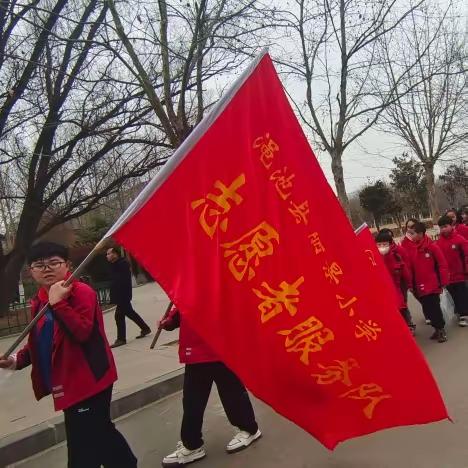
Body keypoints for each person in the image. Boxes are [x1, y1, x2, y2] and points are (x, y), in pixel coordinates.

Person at [0, 242, 137, 468]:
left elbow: (82, 333)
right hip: (64, 382)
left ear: (68, 265)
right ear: (31, 272)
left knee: (83, 445)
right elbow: (40, 341)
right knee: (99, 433)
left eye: (54, 262)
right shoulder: (40, 299)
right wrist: (16, 361)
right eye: (39, 265)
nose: (47, 269)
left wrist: (59, 303)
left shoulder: (82, 293)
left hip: (90, 379)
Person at [160, 306, 262, 467]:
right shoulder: (189, 283)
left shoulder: (217, 282)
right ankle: (192, 444)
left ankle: (249, 429)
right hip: (194, 349)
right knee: (192, 402)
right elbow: (184, 301)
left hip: (220, 347)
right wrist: (171, 321)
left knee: (232, 394)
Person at [408, 222, 449, 342]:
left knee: (434, 308)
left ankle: (441, 330)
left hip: (432, 284)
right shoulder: (413, 248)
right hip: (419, 286)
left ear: (420, 234)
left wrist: (443, 282)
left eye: (412, 233)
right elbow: (411, 269)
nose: (410, 235)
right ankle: (436, 329)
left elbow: (442, 265)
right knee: (427, 309)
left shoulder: (432, 247)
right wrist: (411, 284)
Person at [106, 247, 151, 348]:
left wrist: (120, 295)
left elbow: (121, 281)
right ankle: (145, 328)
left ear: (115, 254)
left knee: (118, 315)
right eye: (107, 254)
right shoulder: (114, 265)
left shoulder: (122, 264)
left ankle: (121, 339)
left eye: (109, 254)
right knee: (130, 313)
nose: (107, 256)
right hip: (121, 295)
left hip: (123, 294)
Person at [375, 230, 416, 334]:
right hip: (384, 288)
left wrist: (410, 284)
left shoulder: (397, 253)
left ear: (390, 243)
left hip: (399, 285)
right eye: (379, 244)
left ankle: (409, 325)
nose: (381, 247)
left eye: (384, 244)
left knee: (402, 306)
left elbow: (406, 269)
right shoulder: (374, 256)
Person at [436, 215, 468, 326]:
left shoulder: (460, 239)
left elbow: (466, 256)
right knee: (453, 295)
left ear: (451, 225)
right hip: (447, 277)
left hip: (460, 275)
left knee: (461, 295)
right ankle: (459, 311)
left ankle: (464, 315)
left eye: (445, 226)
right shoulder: (438, 244)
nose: (443, 229)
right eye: (441, 227)